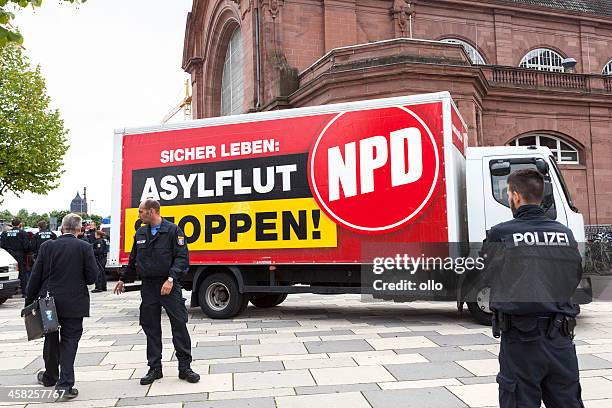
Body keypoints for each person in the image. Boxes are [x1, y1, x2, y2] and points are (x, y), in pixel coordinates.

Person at [486, 169, 584, 407]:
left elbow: (489, 277)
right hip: (560, 340)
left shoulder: (501, 233)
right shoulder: (564, 234)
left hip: (521, 341)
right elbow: (574, 279)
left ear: (516, 196)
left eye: (508, 193)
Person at [113, 199, 200, 385]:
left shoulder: (173, 230)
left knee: (179, 324)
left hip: (168, 286)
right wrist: (122, 279)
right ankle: (155, 368)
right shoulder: (140, 232)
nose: (138, 215)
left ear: (152, 211)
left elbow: (182, 258)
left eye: (141, 211)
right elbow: (133, 259)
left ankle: (185, 367)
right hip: (149, 287)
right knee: (151, 327)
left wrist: (171, 278)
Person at [25, 213, 99, 400]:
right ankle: (65, 385)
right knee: (70, 340)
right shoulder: (84, 247)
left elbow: (35, 275)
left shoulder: (47, 246)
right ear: (79, 230)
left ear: (61, 228)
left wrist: (29, 301)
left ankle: (50, 376)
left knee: (50, 338)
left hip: (49, 303)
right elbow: (92, 277)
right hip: (74, 303)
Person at [1, 218, 31, 296]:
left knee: (9, 274)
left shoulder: (5, 233)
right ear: (19, 224)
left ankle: (9, 293)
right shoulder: (23, 233)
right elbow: (26, 246)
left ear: (12, 223)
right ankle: (24, 292)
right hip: (20, 254)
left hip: (8, 255)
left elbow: (2, 245)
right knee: (22, 273)